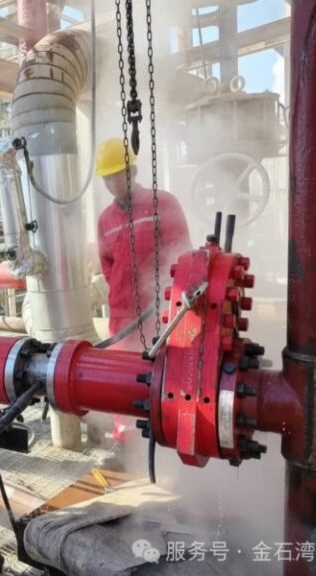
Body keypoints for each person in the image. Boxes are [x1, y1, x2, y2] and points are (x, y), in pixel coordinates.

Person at [96, 137, 191, 444]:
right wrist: (122, 292)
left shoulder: (162, 203)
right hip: (122, 314)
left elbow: (182, 252)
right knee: (120, 375)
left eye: (117, 174)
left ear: (133, 170)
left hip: (160, 309)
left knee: (163, 372)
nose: (112, 183)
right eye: (107, 177)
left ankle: (165, 432)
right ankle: (126, 436)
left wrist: (167, 296)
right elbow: (107, 263)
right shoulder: (105, 220)